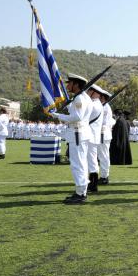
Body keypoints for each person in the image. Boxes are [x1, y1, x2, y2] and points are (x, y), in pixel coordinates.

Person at [49, 73, 93, 204]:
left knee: (77, 165)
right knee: (81, 164)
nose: (67, 86)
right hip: (79, 133)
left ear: (76, 84)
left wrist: (58, 116)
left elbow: (77, 117)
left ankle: (80, 194)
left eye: (70, 83)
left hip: (78, 134)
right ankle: (81, 191)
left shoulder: (79, 98)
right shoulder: (83, 97)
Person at [86, 85, 104, 193]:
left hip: (91, 136)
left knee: (92, 161)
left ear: (95, 92)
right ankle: (91, 183)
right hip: (92, 136)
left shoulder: (94, 105)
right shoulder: (96, 104)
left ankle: (93, 185)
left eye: (89, 91)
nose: (88, 92)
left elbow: (84, 114)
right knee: (91, 161)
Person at [98, 88, 115, 184]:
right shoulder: (103, 106)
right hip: (102, 134)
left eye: (99, 96)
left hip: (103, 134)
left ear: (103, 97)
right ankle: (104, 175)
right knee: (102, 156)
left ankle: (104, 177)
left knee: (103, 156)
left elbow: (102, 122)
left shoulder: (105, 107)